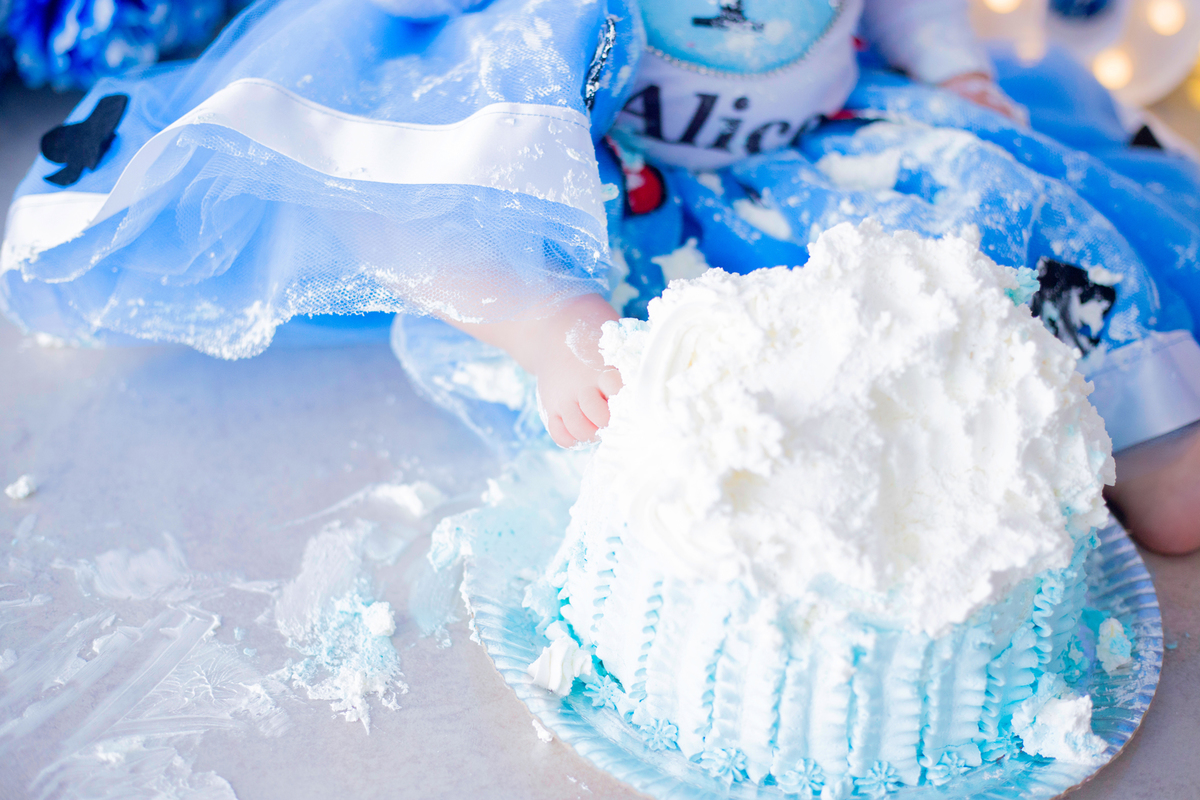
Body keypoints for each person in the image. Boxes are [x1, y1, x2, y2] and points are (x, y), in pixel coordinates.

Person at [3, 0, 1200, 553]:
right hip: (607, 175)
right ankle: (540, 323)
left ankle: (1138, 431)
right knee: (486, 229)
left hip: (826, 146)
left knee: (999, 209)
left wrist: (950, 66)